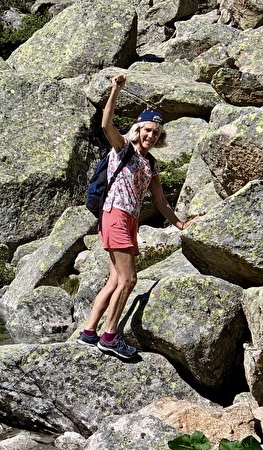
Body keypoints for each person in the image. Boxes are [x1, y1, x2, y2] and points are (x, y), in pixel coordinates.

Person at [77, 74, 194, 359]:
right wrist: (116, 89)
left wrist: (180, 224)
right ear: (138, 129)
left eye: (156, 133)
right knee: (130, 281)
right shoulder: (123, 150)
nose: (151, 136)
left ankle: (88, 332)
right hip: (115, 214)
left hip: (130, 221)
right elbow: (106, 124)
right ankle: (110, 336)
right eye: (148, 130)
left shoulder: (150, 164)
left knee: (116, 281)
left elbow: (160, 200)